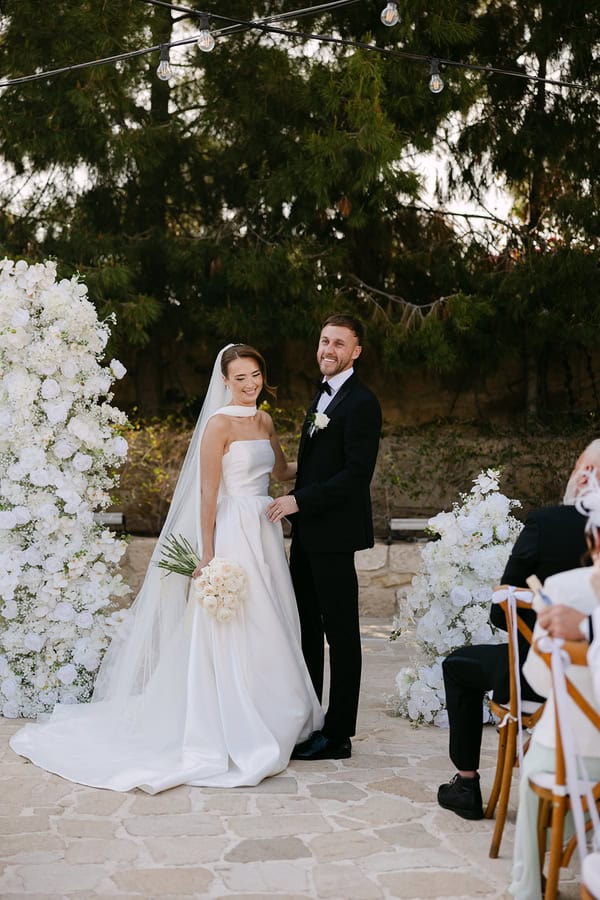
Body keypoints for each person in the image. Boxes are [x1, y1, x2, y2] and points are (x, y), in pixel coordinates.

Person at [10, 344, 323, 792]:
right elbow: (208, 493)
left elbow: (282, 470)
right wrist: (208, 553)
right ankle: (233, 719)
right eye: (240, 378)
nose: (250, 384)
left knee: (272, 616)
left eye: (255, 375)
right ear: (225, 382)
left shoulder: (265, 421)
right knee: (236, 621)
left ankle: (278, 711)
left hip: (265, 530)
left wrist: (320, 451)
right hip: (232, 531)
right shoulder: (218, 426)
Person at [437, 441, 600, 820]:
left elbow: (501, 613)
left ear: (585, 474)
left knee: (457, 665)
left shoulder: (548, 523)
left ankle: (466, 783)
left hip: (538, 679)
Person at [267, 314, 382, 760]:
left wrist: (299, 501)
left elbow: (355, 477)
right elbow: (318, 465)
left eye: (339, 343)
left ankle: (338, 734)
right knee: (306, 631)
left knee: (341, 634)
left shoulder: (361, 403)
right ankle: (311, 717)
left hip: (333, 535)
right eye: (324, 341)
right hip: (308, 535)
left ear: (356, 352)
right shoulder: (322, 396)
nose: (328, 349)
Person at [509, 490, 600, 900]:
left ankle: (529, 886)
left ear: (592, 541)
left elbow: (541, 683)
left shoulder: (563, 588)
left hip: (578, 757)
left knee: (532, 768)